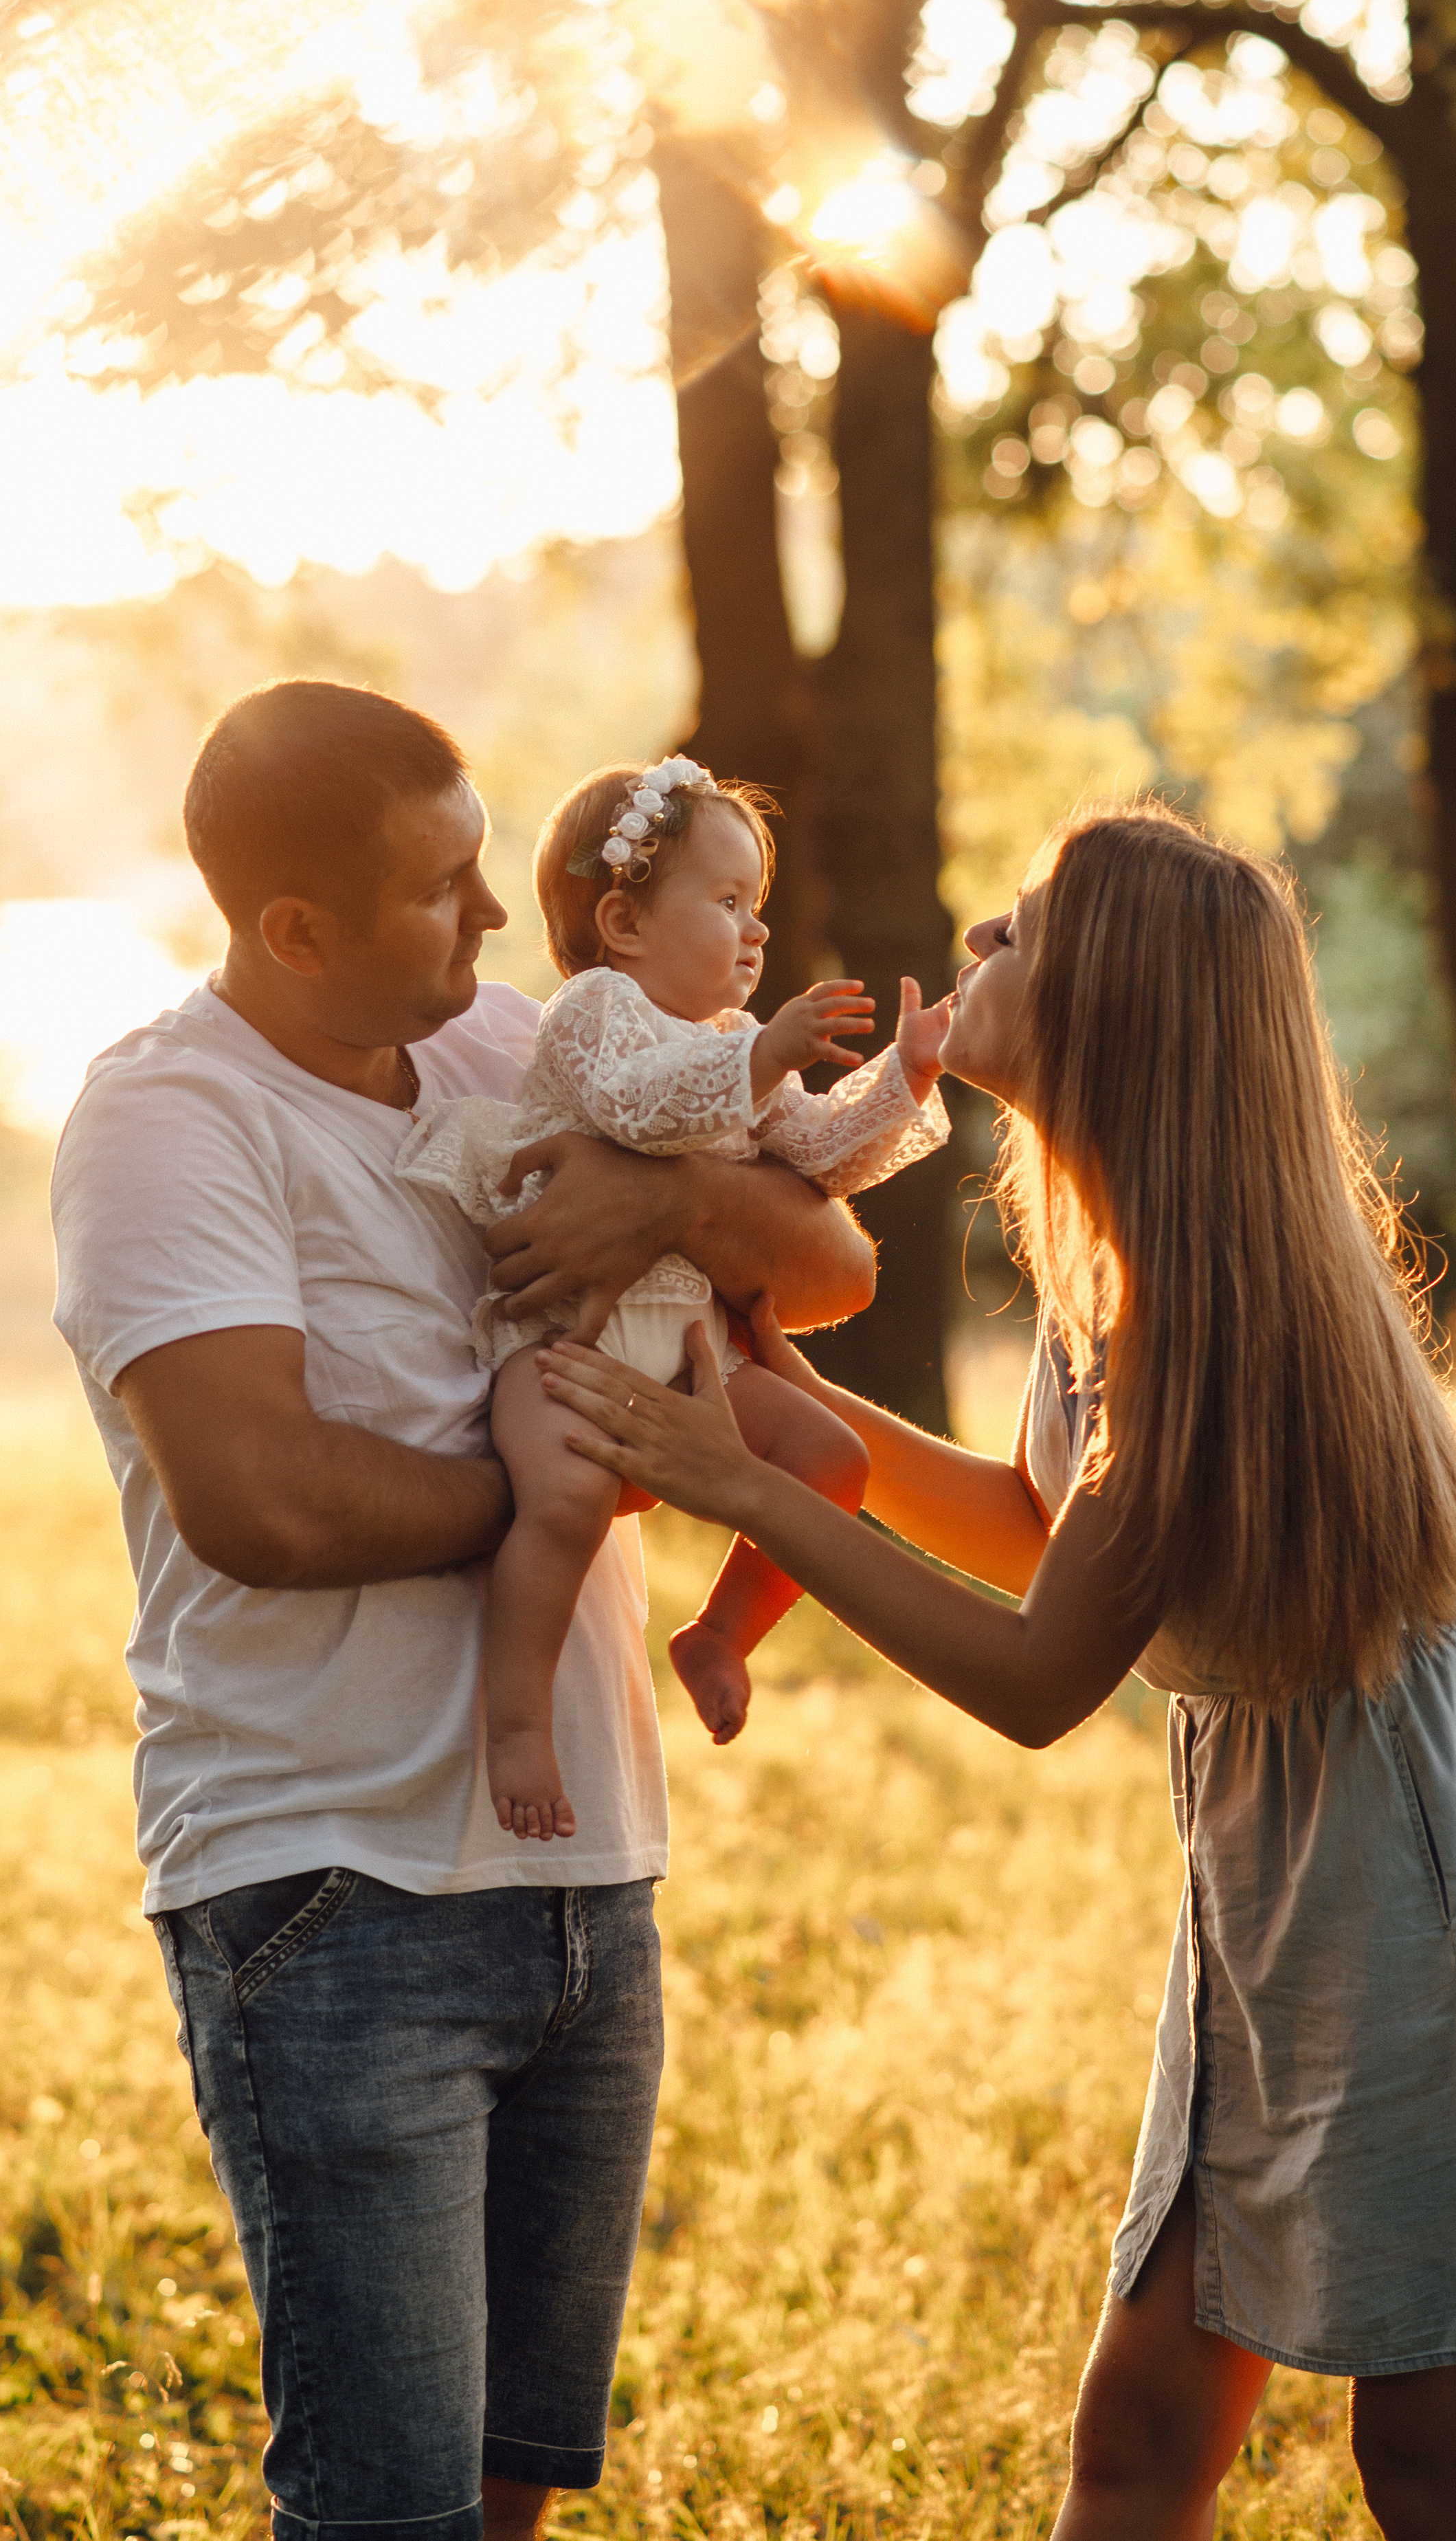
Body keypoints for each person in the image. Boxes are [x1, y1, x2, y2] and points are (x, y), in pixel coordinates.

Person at [538, 803, 1456, 2541]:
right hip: (1280, 1859)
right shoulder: (1116, 1261)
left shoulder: (1208, 1305)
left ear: (1115, 1008)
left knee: (1430, 2464)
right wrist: (804, 1416)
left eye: (1026, 931)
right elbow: (1043, 1533)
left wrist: (740, 1483)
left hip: (1417, 1870)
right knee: (1136, 2436)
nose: (979, 936)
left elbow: (1045, 1675)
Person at [49, 678, 876, 2541]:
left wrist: (650, 1195)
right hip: (334, 1890)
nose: (501, 918)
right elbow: (261, 1494)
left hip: (588, 1872)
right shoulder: (164, 1125)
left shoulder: (527, 1044)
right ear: (294, 932)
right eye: (445, 888)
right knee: (389, 2512)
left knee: (516, 2492)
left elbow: (832, 1261)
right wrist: (592, 1483)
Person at [401, 752, 952, 1837]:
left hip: (696, 1352)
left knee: (834, 1459)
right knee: (562, 1505)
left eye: (760, 906)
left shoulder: (735, 1045)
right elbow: (634, 1112)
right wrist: (766, 1056)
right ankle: (517, 1721)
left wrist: (904, 1078)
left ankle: (721, 1634)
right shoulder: (593, 1013)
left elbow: (824, 1157)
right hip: (566, 1348)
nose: (754, 930)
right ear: (624, 922)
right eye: (729, 900)